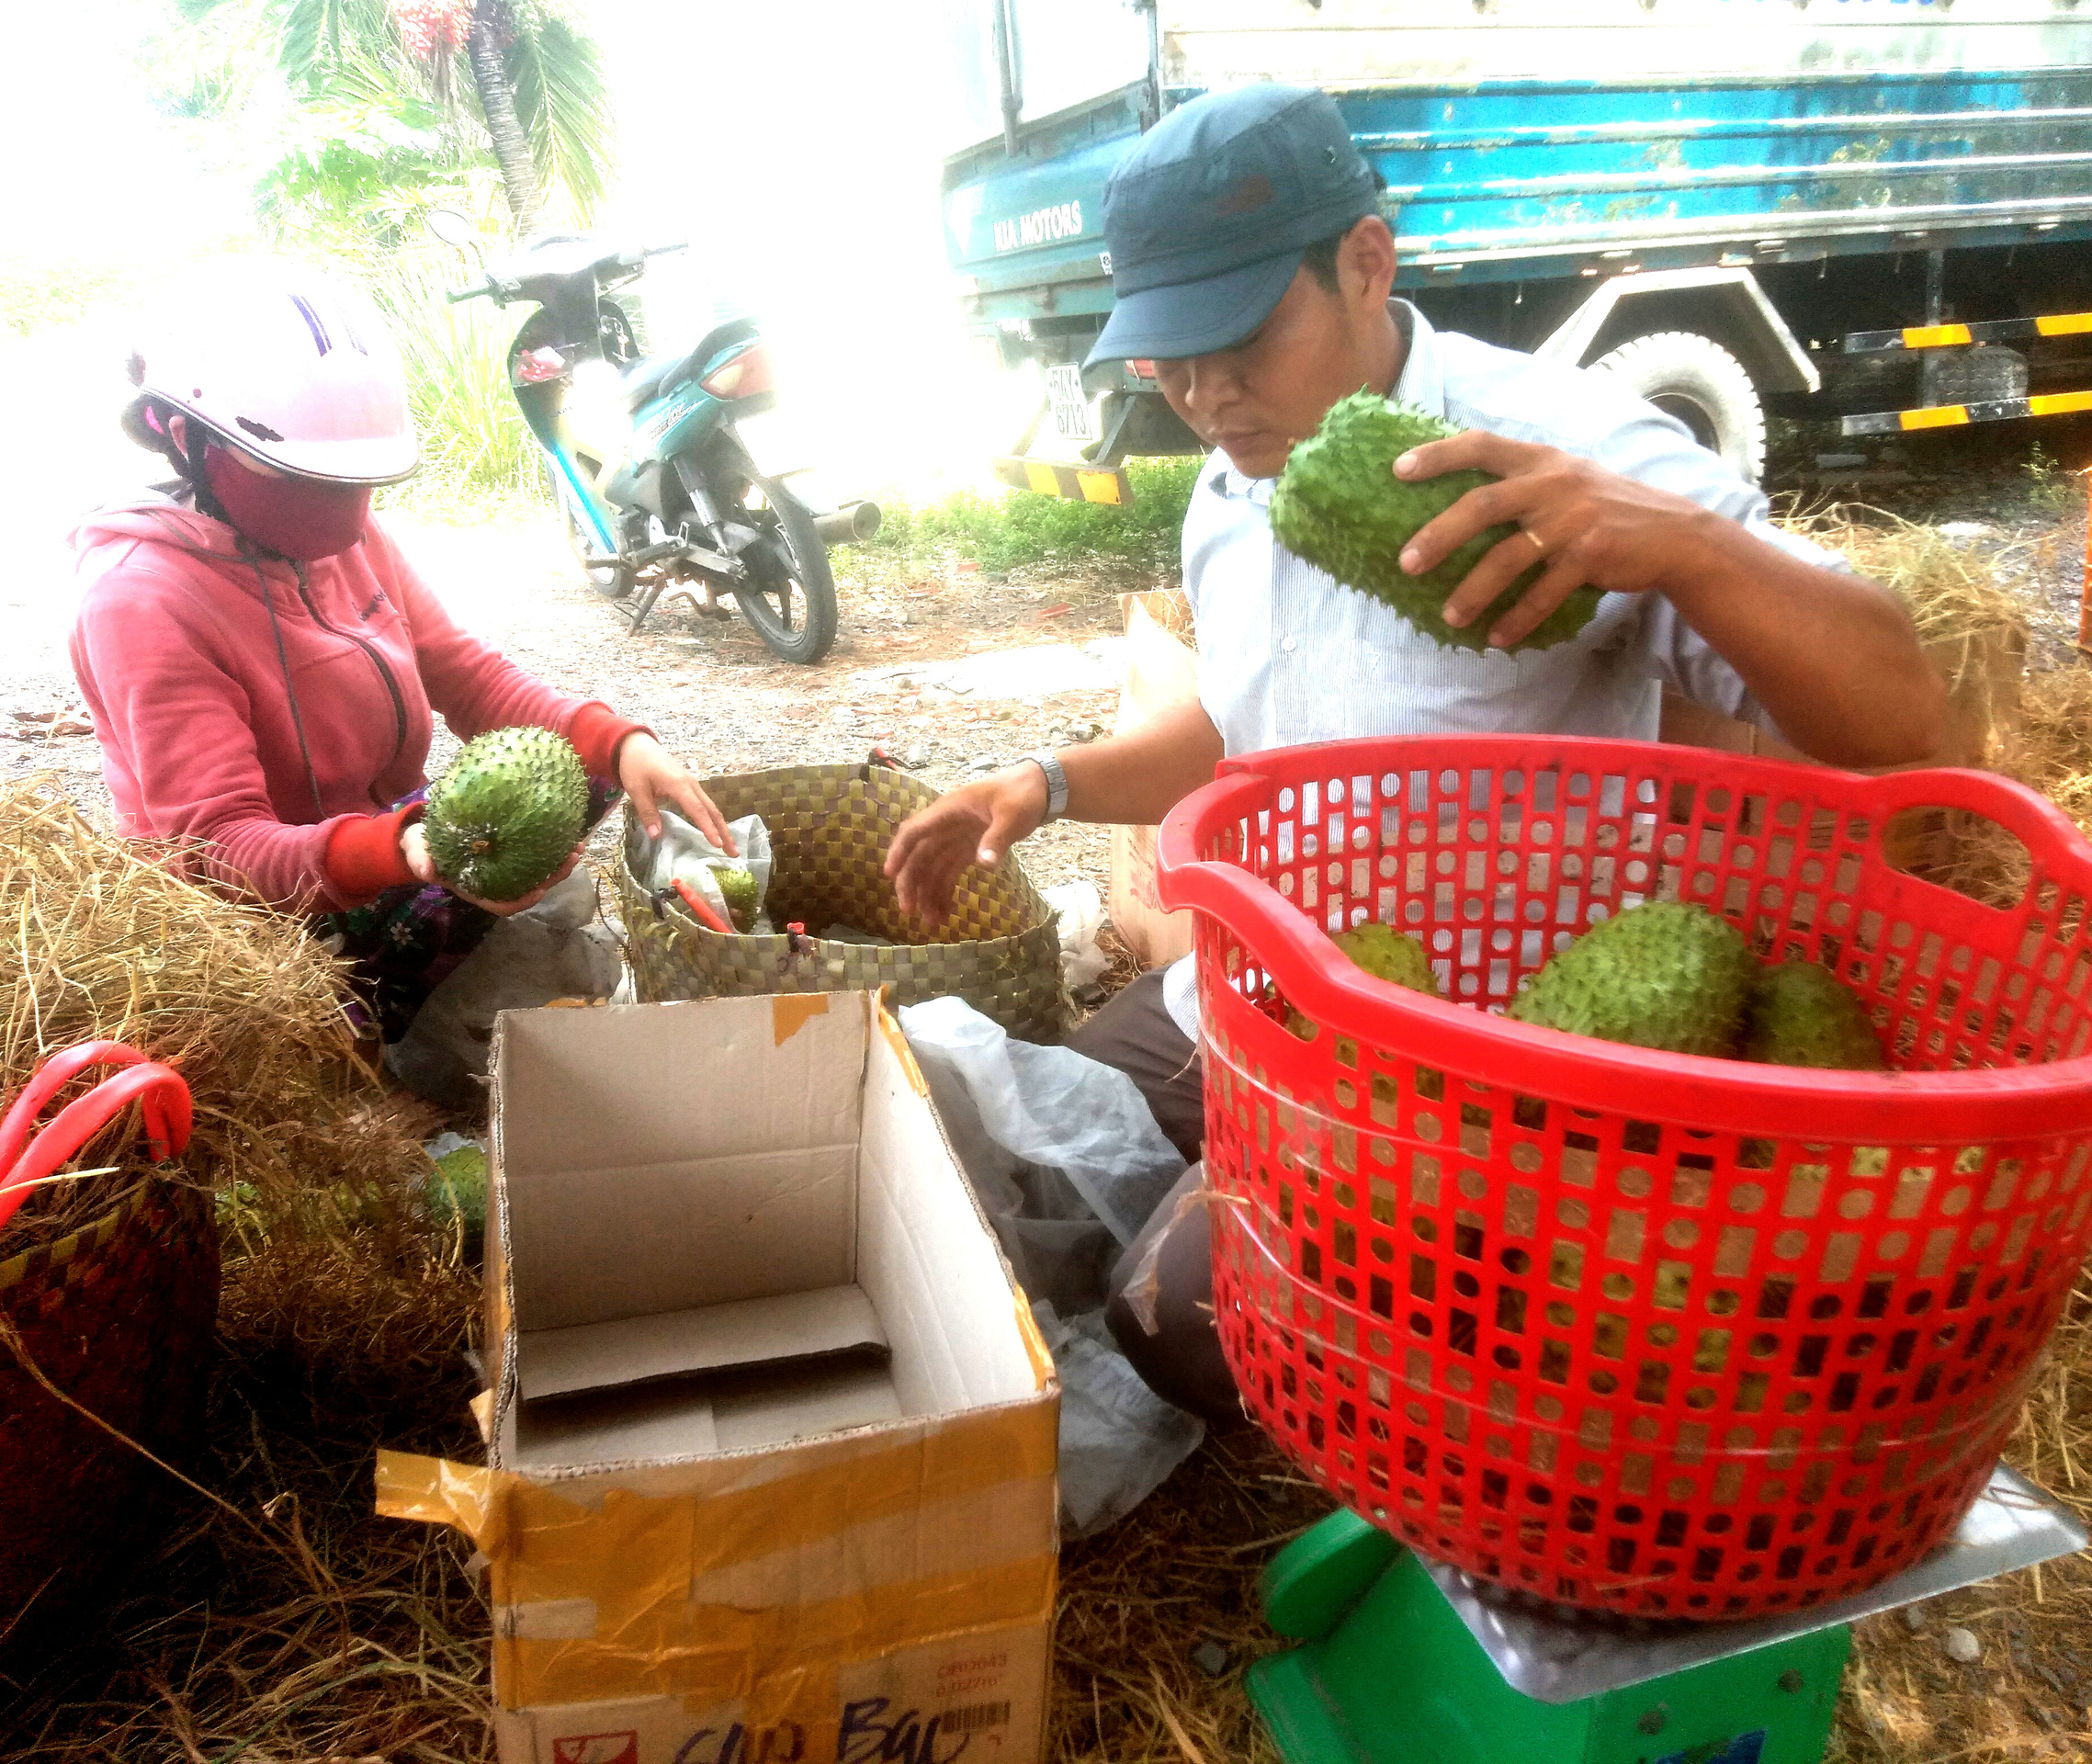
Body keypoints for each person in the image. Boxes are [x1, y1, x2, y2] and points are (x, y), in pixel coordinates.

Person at [884, 85, 1945, 1424]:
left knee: (1179, 1322)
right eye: (1168, 358)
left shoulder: (1565, 453)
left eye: (1238, 338)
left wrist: (1682, 543)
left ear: (1366, 264)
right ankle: (1277, 1228)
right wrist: (1043, 783)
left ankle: (1383, 1326)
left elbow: (1905, 729)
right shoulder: (1234, 482)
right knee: (970, 1155)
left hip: (1480, 1065)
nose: (1206, 396)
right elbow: (1239, 727)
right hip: (1264, 1005)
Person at [70, 259, 734, 1067]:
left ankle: (421, 974)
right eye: (299, 478)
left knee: (587, 763)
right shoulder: (141, 600)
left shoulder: (350, 537)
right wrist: (404, 850)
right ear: (186, 438)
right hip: (263, 909)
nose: (344, 513)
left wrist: (622, 741)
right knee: (325, 1047)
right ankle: (376, 1023)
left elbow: (465, 672)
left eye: (355, 482)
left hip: (384, 834)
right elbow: (217, 848)